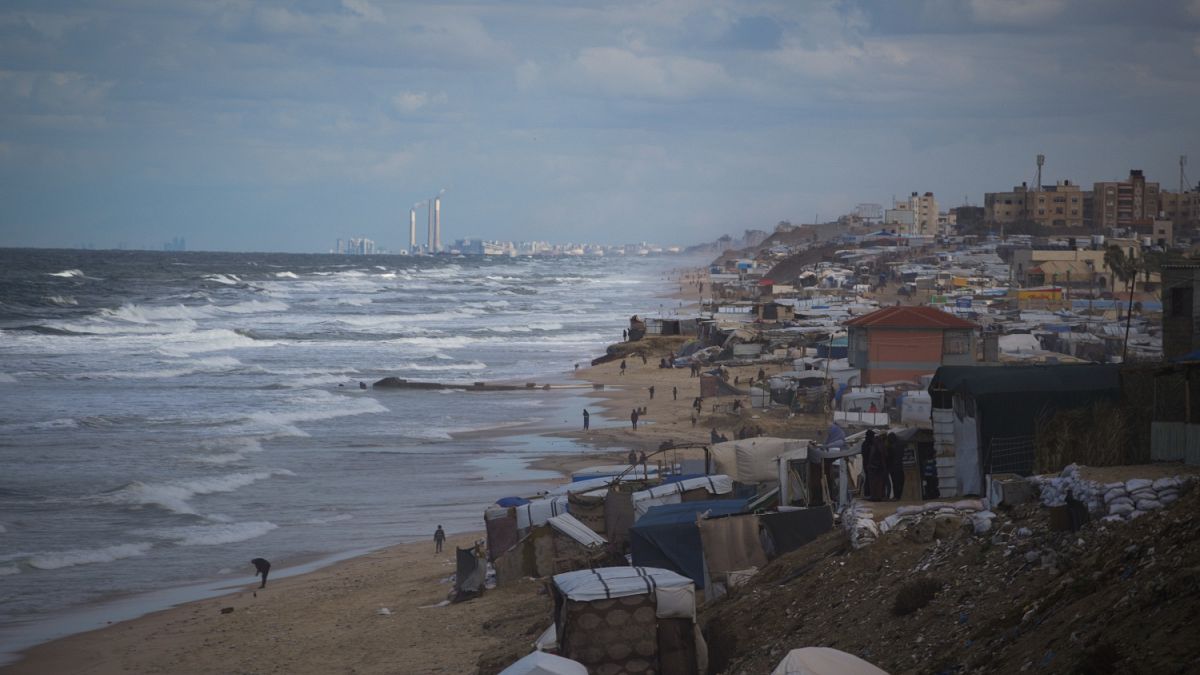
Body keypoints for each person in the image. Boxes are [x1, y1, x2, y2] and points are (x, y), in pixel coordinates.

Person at [886, 433, 905, 501]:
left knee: (896, 482)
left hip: (894, 467)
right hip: (898, 467)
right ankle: (897, 496)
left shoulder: (891, 447)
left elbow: (889, 458)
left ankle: (897, 497)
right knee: (898, 482)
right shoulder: (900, 444)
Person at [860, 429, 876, 500]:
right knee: (869, 479)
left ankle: (869, 493)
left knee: (869, 479)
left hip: (867, 464)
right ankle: (868, 493)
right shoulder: (867, 444)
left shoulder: (866, 443)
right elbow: (867, 454)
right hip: (868, 464)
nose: (873, 437)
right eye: (872, 436)